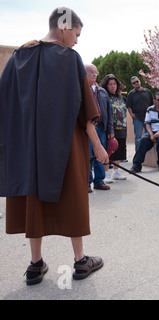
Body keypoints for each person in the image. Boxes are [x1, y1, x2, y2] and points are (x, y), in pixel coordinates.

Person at [0, 7, 106, 285]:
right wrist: (99, 148)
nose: (77, 40)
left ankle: (35, 265)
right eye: (76, 33)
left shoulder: (19, 56)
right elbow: (86, 113)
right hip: (64, 143)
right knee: (72, 195)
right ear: (63, 26)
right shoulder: (69, 58)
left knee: (34, 194)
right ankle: (81, 261)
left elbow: (6, 101)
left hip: (29, 144)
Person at [86, 64, 114, 190]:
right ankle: (86, 183)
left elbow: (109, 112)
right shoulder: (80, 90)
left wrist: (110, 130)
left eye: (96, 72)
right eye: (91, 72)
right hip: (87, 129)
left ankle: (99, 181)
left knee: (101, 155)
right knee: (88, 156)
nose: (94, 74)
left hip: (101, 128)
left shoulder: (103, 91)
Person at [131, 92, 159, 172]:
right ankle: (136, 165)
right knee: (143, 140)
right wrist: (151, 135)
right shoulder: (150, 109)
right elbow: (147, 124)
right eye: (158, 100)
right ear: (154, 101)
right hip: (151, 131)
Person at [100, 74, 128, 180]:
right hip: (110, 129)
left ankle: (116, 172)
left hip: (122, 129)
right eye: (110, 84)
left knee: (119, 151)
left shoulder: (121, 97)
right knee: (109, 151)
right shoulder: (104, 96)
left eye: (115, 84)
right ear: (106, 86)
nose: (113, 86)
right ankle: (106, 173)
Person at [126, 76, 154, 151]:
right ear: (132, 85)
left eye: (137, 81)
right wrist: (132, 114)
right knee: (138, 137)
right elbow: (129, 106)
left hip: (148, 118)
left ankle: (147, 154)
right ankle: (138, 156)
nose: (136, 83)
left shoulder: (147, 91)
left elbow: (152, 104)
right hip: (137, 118)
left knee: (149, 135)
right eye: (134, 83)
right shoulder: (131, 94)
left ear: (140, 81)